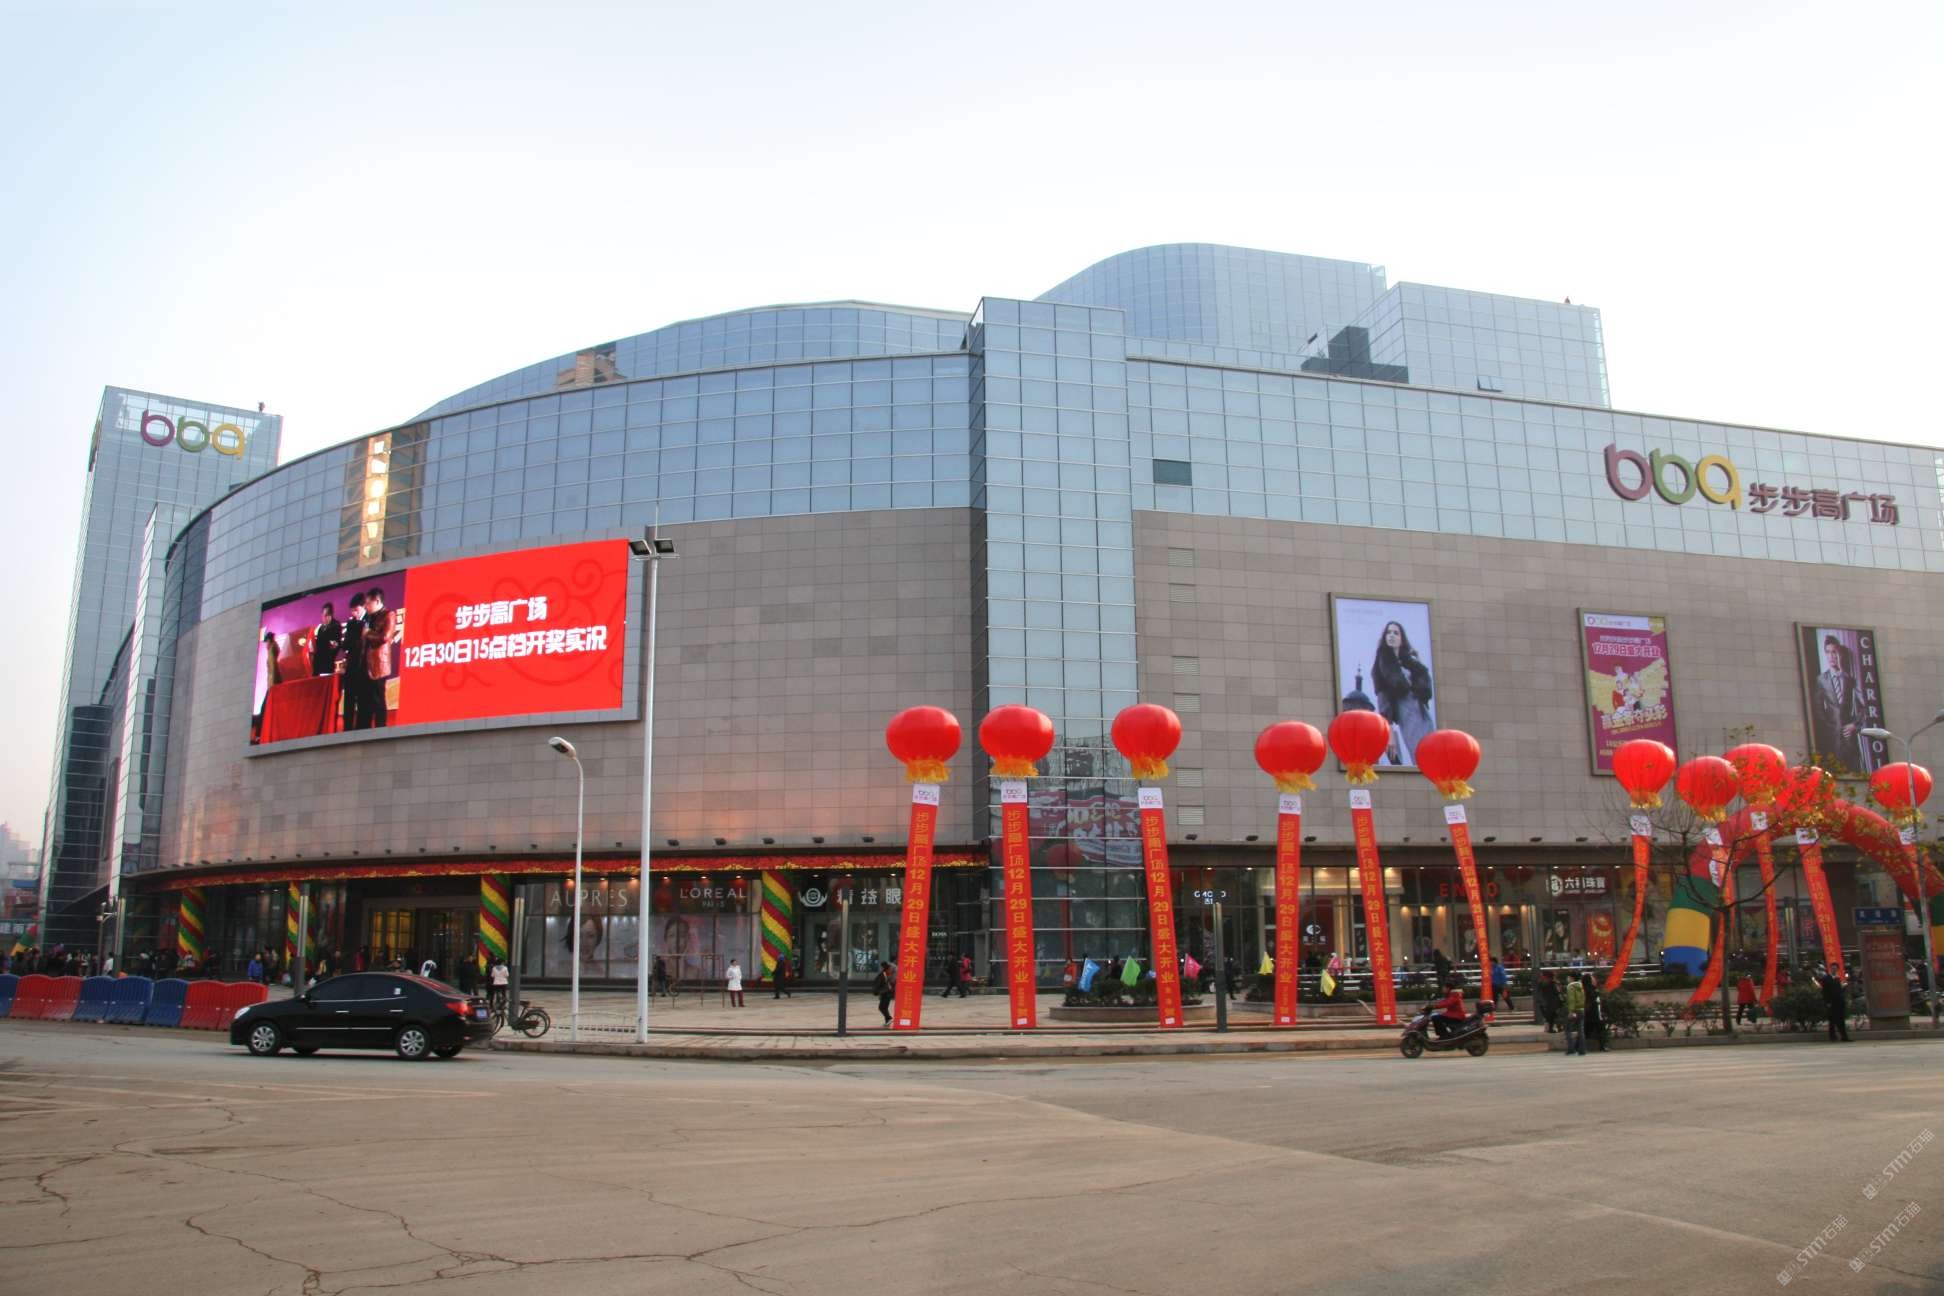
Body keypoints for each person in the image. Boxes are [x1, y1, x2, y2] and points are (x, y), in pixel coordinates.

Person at [1371, 620, 1434, 766]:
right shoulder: (1383, 666)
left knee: (1431, 753)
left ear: (1402, 639)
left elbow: (1424, 685)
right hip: (1406, 715)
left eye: (1396, 633)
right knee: (1418, 756)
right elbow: (1383, 704)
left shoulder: (1410, 662)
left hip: (1422, 715)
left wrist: (1418, 662)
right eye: (1388, 632)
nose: (1391, 635)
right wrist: (1389, 734)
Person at [360, 587, 395, 729]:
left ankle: (380, 730)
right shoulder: (369, 618)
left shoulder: (389, 614)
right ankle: (364, 732)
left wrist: (368, 634)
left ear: (377, 601)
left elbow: (385, 637)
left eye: (368, 603)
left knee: (378, 700)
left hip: (379, 665)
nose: (366, 606)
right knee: (365, 703)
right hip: (366, 665)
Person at [340, 592, 369, 731]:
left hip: (364, 665)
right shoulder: (351, 623)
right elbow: (346, 644)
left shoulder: (370, 620)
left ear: (364, 607)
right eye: (352, 611)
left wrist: (354, 643)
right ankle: (347, 728)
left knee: (363, 699)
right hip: (351, 665)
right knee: (349, 699)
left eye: (356, 610)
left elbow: (365, 643)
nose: (354, 613)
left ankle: (361, 728)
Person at [252, 630, 282, 741]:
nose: (265, 645)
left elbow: (272, 669)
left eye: (266, 642)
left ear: (269, 641)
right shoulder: (273, 649)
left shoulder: (271, 652)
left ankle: (259, 734)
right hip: (273, 684)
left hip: (272, 685)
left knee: (264, 708)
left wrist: (271, 686)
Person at [310, 602, 342, 676]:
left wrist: (332, 644)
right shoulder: (321, 628)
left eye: (326, 615)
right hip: (318, 662)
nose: (323, 618)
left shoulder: (336, 625)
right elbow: (318, 643)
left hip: (327, 662)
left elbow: (336, 644)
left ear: (330, 615)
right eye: (323, 615)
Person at [1818, 966, 1850, 1042]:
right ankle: (1832, 1036)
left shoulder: (1837, 978)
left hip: (1839, 1002)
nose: (1834, 970)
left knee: (1841, 1019)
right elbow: (1825, 992)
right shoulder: (1826, 979)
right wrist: (1827, 1002)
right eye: (1833, 968)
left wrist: (1843, 987)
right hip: (1831, 1002)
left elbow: (1839, 990)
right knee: (1832, 1020)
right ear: (1830, 969)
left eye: (1835, 969)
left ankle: (1844, 1036)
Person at [1580, 973, 1609, 1051]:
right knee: (1590, 1030)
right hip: (1592, 1014)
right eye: (1592, 978)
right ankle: (1603, 1046)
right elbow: (1591, 1001)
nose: (1594, 980)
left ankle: (1603, 1045)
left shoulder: (1591, 989)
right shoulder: (1589, 990)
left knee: (1589, 1030)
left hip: (1594, 1014)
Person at [1563, 974, 1586, 1055]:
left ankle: (1571, 1048)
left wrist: (1571, 1011)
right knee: (1581, 1030)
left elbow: (1571, 999)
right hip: (1581, 1009)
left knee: (1568, 1029)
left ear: (1571, 978)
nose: (1567, 978)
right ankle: (1582, 1050)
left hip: (1574, 1010)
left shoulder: (1570, 986)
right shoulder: (1581, 986)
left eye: (1568, 977)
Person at [873, 961, 895, 1026]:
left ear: (882, 967)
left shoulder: (883, 974)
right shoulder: (887, 974)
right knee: (884, 1007)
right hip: (887, 993)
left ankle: (889, 1018)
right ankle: (887, 1021)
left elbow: (879, 984)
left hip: (886, 993)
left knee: (881, 1007)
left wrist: (876, 991)